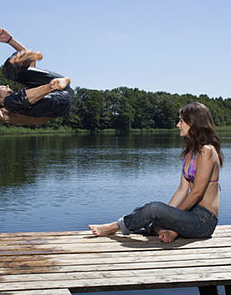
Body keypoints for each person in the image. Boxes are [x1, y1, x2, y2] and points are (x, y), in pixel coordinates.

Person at [89, 102, 222, 243]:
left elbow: (196, 193)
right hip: (190, 215)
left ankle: (113, 227)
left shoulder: (207, 151)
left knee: (153, 210)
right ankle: (168, 231)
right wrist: (168, 215)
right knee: (144, 212)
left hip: (203, 221)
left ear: (193, 123)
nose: (178, 125)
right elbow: (182, 190)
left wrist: (166, 217)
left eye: (181, 121)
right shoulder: (190, 153)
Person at [0, 28, 72, 126]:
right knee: (9, 102)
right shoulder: (7, 113)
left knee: (15, 74)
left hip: (63, 88)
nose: (7, 86)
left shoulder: (23, 90)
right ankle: (51, 86)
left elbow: (31, 67)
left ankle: (52, 84)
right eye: (2, 87)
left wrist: (10, 41)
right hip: (57, 105)